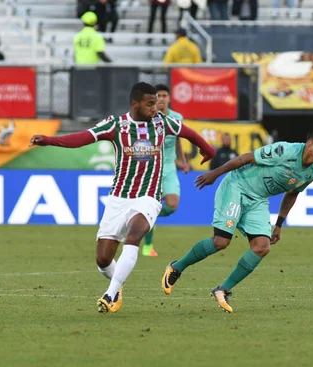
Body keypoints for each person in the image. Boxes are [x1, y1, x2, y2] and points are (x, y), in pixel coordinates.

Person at [29, 82, 215, 314]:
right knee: (103, 259)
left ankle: (110, 293)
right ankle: (118, 283)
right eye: (149, 104)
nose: (154, 109)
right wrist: (48, 140)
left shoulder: (162, 123)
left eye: (156, 103)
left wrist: (209, 150)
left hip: (148, 196)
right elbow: (82, 138)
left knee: (134, 234)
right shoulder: (116, 125)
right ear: (134, 103)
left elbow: (188, 133)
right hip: (119, 198)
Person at [161, 125, 313, 313]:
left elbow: (292, 194)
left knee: (262, 247)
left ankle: (222, 289)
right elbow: (246, 158)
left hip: (258, 200)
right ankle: (176, 268)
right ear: (310, 144)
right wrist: (215, 174)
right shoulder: (285, 150)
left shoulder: (311, 172)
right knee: (221, 242)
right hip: (237, 186)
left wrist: (279, 224)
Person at [142, 83, 191, 257]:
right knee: (151, 205)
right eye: (158, 96)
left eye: (164, 96)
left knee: (172, 205)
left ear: (169, 98)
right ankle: (147, 247)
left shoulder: (177, 117)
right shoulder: (147, 117)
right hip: (151, 167)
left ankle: (142, 218)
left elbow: (178, 139)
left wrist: (183, 161)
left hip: (169, 167)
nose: (161, 99)